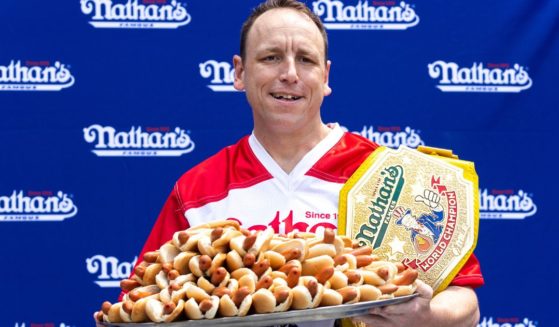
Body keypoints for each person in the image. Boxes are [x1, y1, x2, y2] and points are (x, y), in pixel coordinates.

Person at [131, 0, 484, 326]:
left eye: (306, 59)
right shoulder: (197, 189)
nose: (289, 73)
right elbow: (140, 295)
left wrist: (426, 314)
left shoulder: (386, 174)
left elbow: (465, 301)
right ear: (239, 72)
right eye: (270, 57)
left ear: (325, 76)